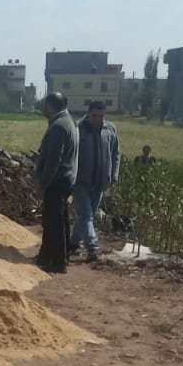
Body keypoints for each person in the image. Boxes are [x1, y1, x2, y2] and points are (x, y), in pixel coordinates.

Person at [33, 92, 78, 273]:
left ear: (50, 106)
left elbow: (53, 161)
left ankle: (58, 262)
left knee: (53, 222)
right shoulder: (70, 121)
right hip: (66, 179)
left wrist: (43, 185)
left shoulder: (58, 127)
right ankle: (52, 256)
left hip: (57, 181)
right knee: (61, 219)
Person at [71, 100, 120, 262]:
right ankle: (92, 248)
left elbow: (115, 154)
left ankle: (72, 244)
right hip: (80, 182)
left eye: (101, 116)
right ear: (88, 113)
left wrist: (114, 174)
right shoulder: (78, 129)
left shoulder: (110, 130)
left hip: (100, 182)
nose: (97, 119)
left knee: (86, 216)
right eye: (94, 115)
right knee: (86, 215)